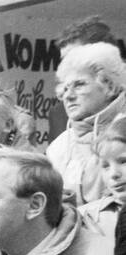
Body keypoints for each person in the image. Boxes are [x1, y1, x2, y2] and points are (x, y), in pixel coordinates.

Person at [48, 43, 126, 206]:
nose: (68, 96)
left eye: (79, 85)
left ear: (109, 86)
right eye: (65, 89)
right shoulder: (57, 148)